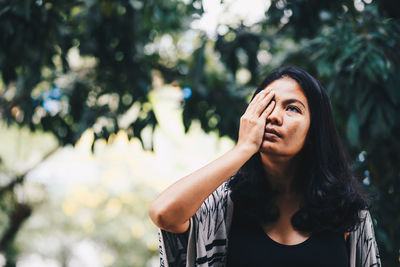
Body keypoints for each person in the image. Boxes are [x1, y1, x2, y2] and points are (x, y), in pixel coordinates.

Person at [149, 66, 381, 267]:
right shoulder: (227, 204)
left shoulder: (349, 211)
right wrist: (242, 149)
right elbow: (163, 213)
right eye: (267, 105)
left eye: (292, 108)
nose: (274, 117)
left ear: (314, 130)